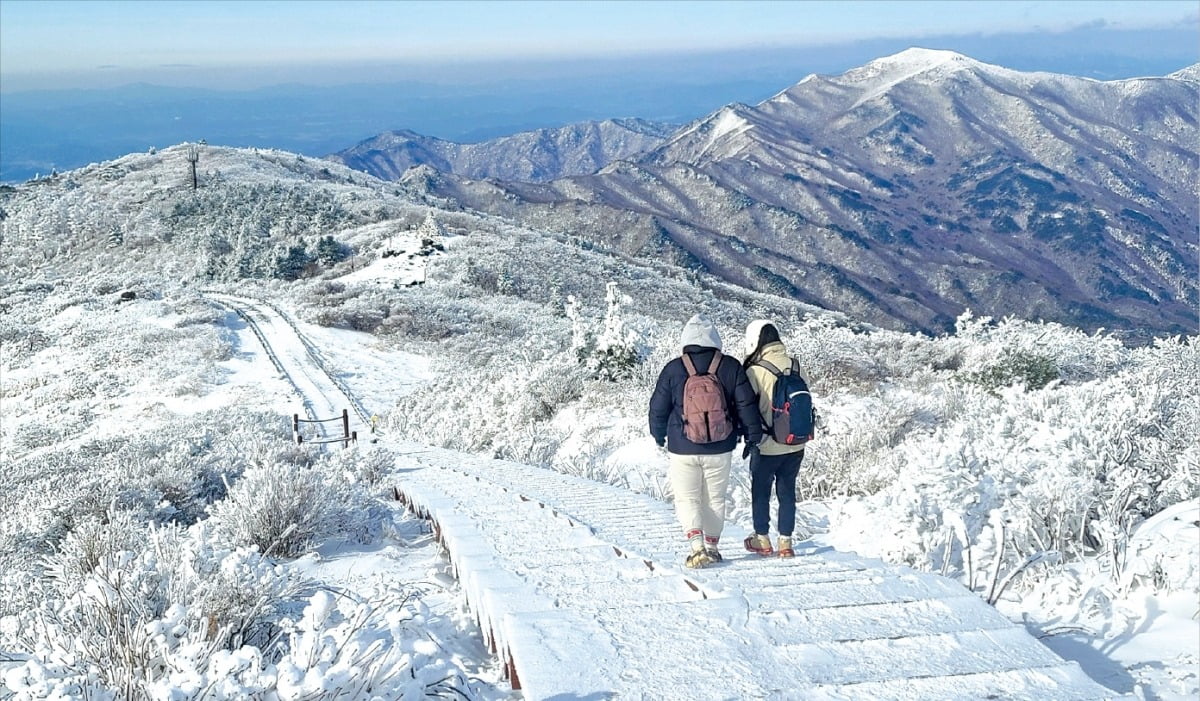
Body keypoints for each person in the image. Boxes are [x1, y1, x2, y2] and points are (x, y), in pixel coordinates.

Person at [649, 314, 763, 568]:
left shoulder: (674, 368)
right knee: (715, 499)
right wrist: (752, 437)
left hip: (682, 446)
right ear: (716, 340)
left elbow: (657, 407)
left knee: (687, 498)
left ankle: (696, 546)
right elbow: (746, 405)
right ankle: (712, 546)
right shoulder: (730, 367)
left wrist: (659, 435)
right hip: (721, 447)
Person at [741, 320, 808, 558]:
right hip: (795, 442)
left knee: (760, 492)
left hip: (767, 445)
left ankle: (762, 540)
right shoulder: (795, 365)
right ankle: (786, 543)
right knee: (787, 492)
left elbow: (746, 406)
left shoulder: (755, 370)